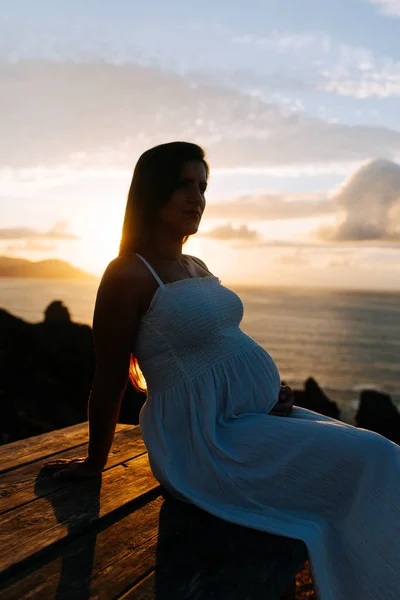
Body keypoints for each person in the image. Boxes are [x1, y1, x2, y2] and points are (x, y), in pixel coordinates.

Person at [44, 141, 400, 600]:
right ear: (152, 193)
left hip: (252, 419)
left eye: (203, 186)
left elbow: (220, 347)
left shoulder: (197, 266)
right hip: (203, 443)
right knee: (377, 459)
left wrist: (268, 391)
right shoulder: (127, 275)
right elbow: (110, 377)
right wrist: (95, 462)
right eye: (184, 185)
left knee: (383, 455)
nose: (198, 198)